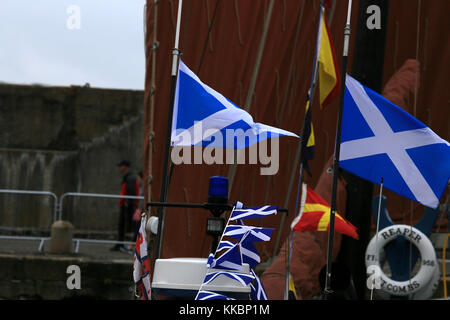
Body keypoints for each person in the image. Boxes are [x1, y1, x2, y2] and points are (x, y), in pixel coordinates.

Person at [111, 160, 140, 253]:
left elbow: (131, 192)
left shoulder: (130, 177)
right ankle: (120, 244)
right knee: (122, 225)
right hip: (126, 205)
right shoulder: (129, 177)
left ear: (125, 167)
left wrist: (128, 204)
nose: (120, 168)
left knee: (128, 226)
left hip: (128, 206)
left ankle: (124, 245)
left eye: (121, 166)